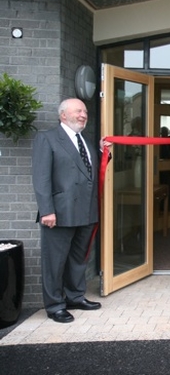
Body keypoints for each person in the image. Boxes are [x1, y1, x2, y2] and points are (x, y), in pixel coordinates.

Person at [32, 98, 111, 323]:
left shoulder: (84, 140)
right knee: (54, 262)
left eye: (85, 111)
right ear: (63, 115)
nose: (83, 114)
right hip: (59, 213)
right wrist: (47, 210)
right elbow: (41, 178)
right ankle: (55, 305)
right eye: (78, 111)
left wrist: (104, 152)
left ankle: (75, 296)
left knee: (78, 259)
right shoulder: (47, 139)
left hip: (86, 212)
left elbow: (90, 170)